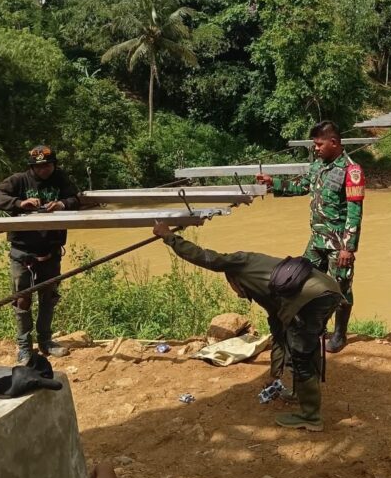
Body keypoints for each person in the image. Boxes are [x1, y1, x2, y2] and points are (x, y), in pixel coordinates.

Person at [152, 221, 342, 432]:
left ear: (233, 279)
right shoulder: (262, 281)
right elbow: (278, 334)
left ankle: (311, 417)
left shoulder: (238, 262)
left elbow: (205, 257)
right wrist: (274, 375)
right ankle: (300, 395)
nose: (236, 294)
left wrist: (169, 237)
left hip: (313, 299)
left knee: (301, 354)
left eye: (233, 288)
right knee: (304, 345)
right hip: (329, 290)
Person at [256, 121, 364, 353]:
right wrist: (273, 183)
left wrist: (348, 248)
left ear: (333, 142)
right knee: (302, 279)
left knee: (341, 287)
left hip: (338, 244)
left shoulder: (351, 171)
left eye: (319, 144)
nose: (316, 148)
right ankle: (314, 327)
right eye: (315, 144)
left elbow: (355, 212)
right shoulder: (317, 166)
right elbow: (301, 186)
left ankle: (340, 335)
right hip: (316, 240)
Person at [0, 145, 79, 364]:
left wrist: (62, 204)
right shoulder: (19, 181)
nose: (43, 170)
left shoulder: (60, 179)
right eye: (39, 167)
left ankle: (46, 341)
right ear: (31, 167)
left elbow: (77, 198)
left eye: (47, 165)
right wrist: (20, 203)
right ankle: (24, 347)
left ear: (54, 164)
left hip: (51, 250)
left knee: (48, 297)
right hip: (23, 251)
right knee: (22, 299)